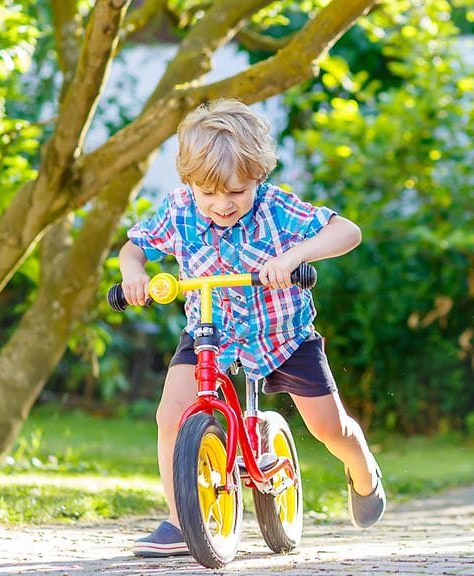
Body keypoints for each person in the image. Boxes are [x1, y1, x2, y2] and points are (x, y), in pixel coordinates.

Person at [117, 99, 386, 558]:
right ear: (188, 183)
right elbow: (133, 248)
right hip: (209, 333)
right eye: (209, 193)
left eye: (237, 192)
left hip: (282, 335)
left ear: (258, 179)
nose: (222, 204)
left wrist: (294, 257)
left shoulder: (277, 209)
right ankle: (181, 521)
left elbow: (348, 232)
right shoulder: (178, 209)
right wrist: (133, 275)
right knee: (171, 414)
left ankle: (363, 470)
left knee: (329, 428)